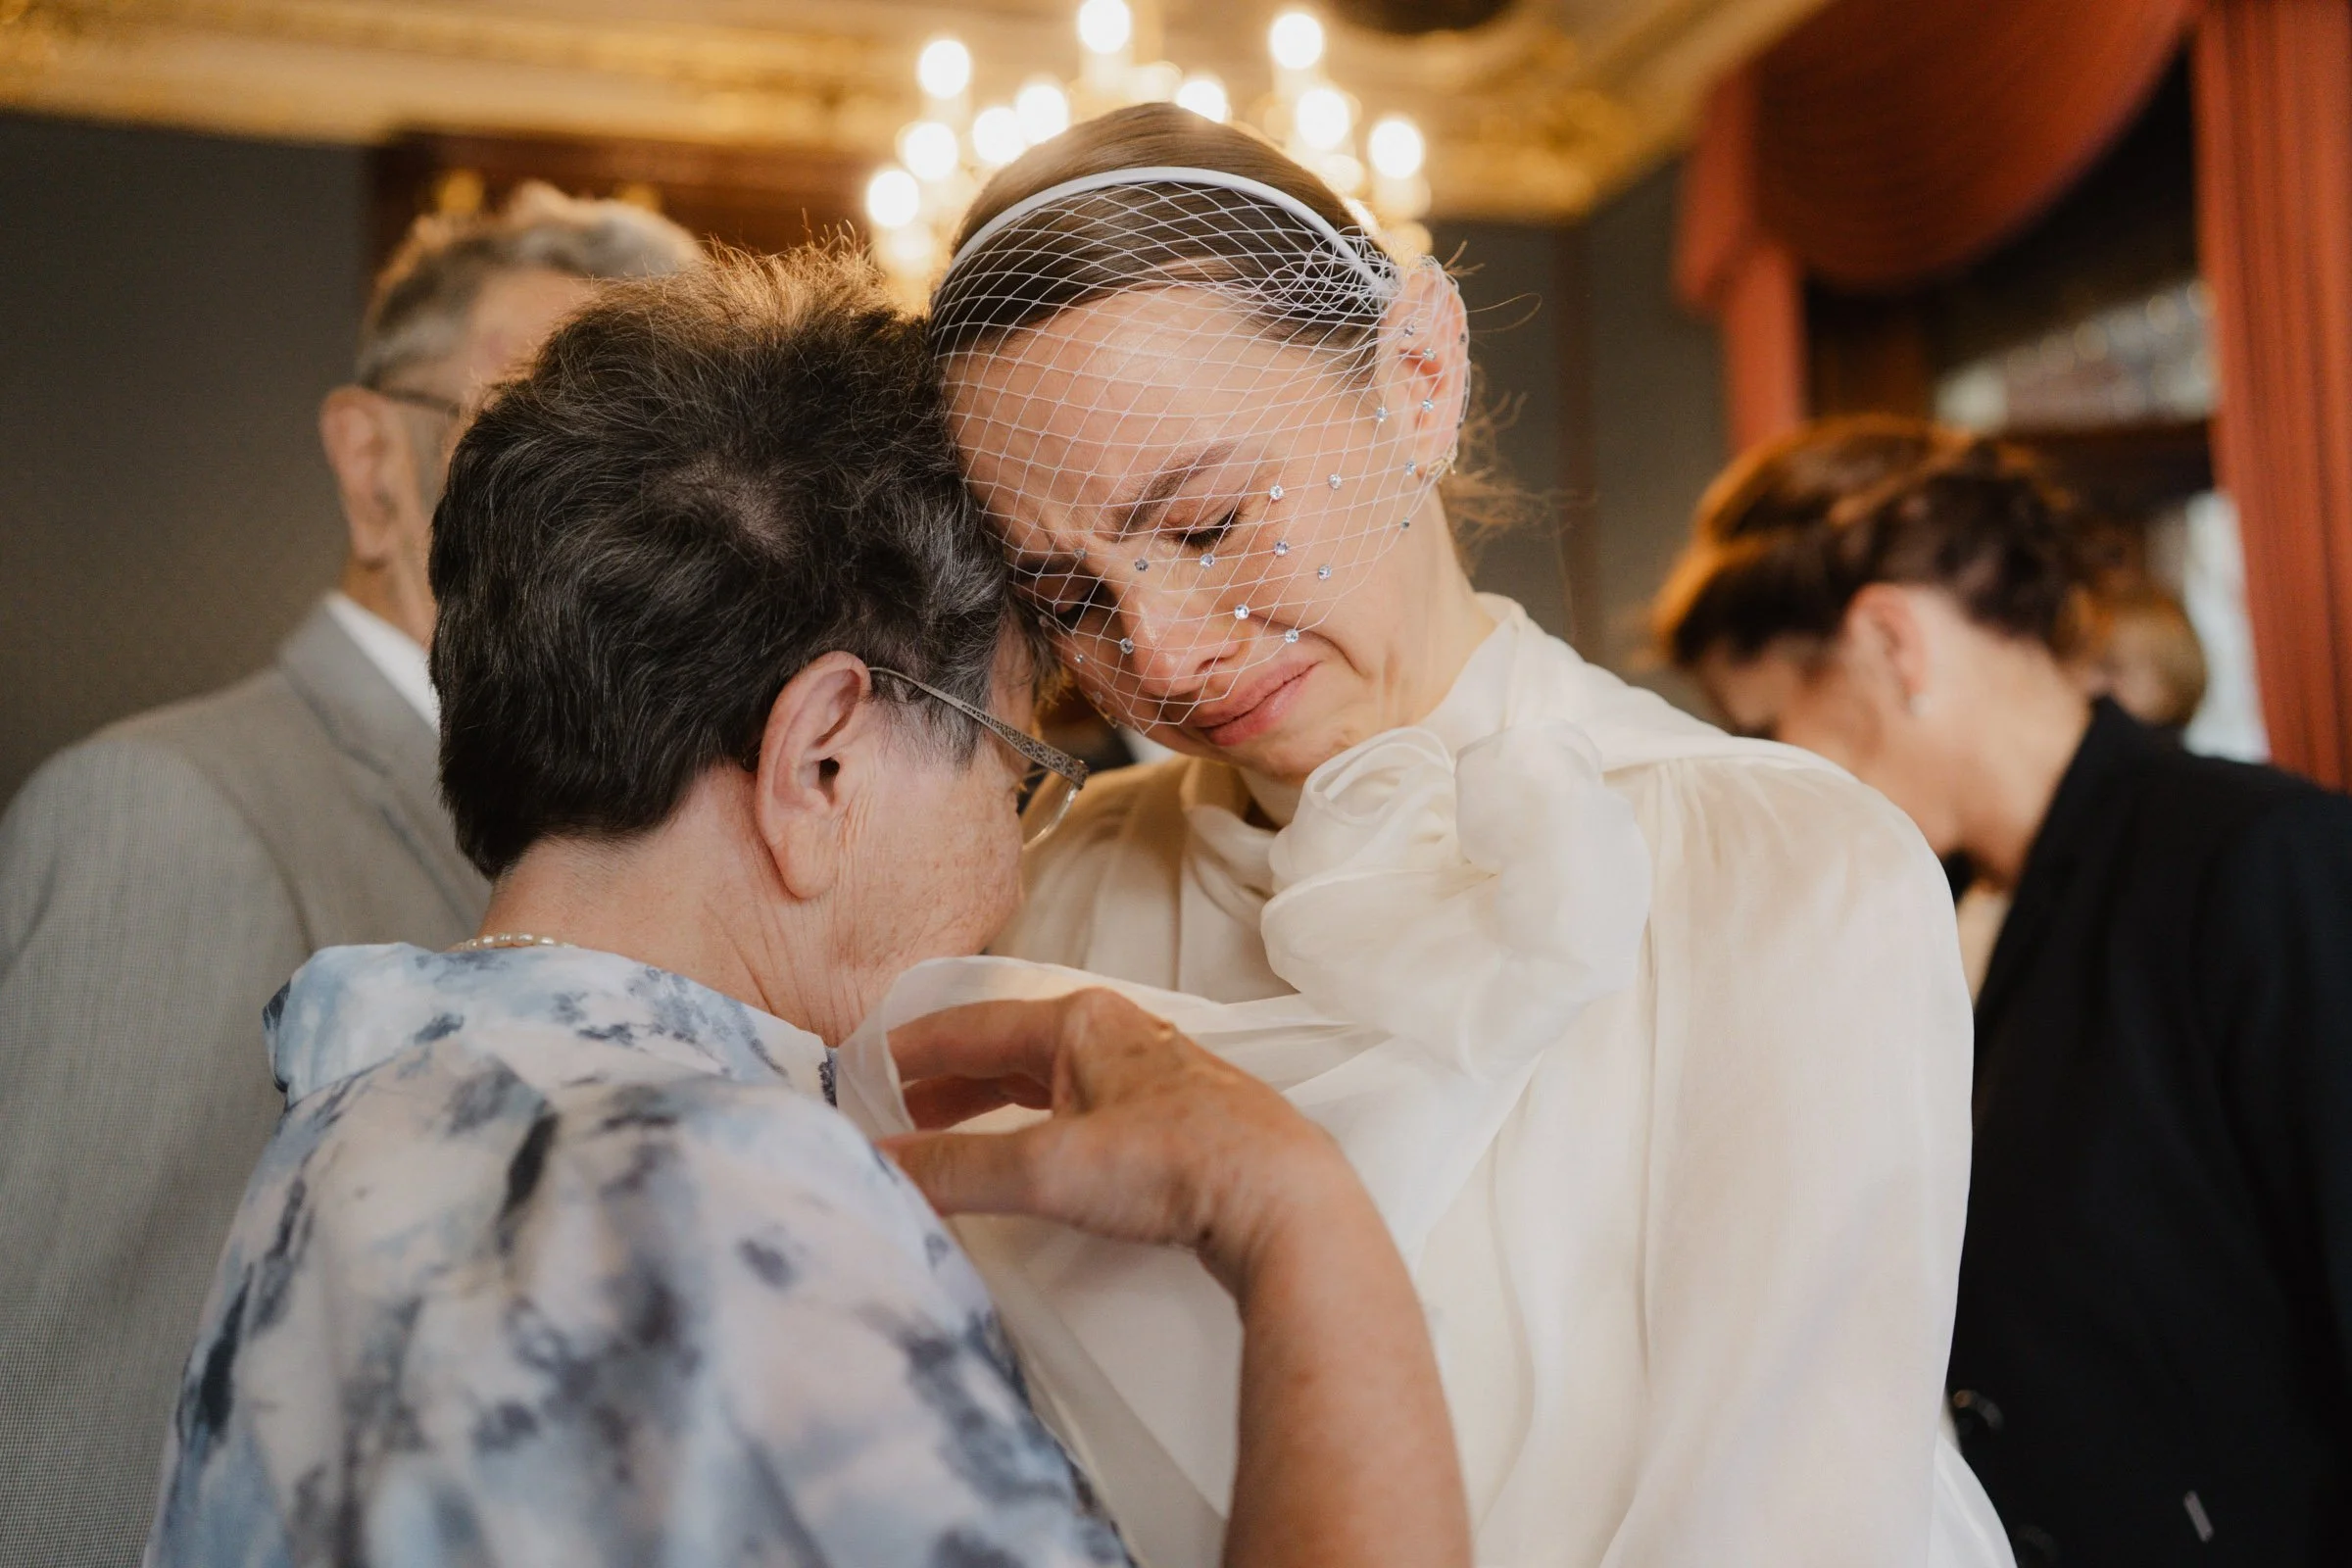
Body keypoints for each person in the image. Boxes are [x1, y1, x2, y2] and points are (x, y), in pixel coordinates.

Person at [145, 247, 1471, 1568]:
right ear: (822, 757)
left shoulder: (354, 1108)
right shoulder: (727, 1189)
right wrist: (1301, 1225)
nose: (1012, 882)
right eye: (1014, 770)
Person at [924, 104, 2011, 1568]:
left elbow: (1785, 1519)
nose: (1164, 658)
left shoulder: (1786, 873)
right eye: (1065, 596)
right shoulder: (1043, 902)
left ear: (1419, 380)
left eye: (1206, 524)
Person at [0, 183, 700, 1568]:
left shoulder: (651, 835)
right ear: (372, 466)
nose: (615, 515)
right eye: (539, 439)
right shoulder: (175, 819)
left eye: (660, 463)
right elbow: (74, 1461)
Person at [1654, 414, 2352, 1566]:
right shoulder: (1942, 916)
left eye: (1774, 728)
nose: (1783, 775)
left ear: (1894, 643)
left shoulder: (2260, 862)